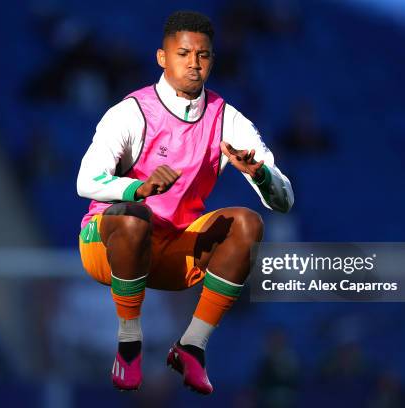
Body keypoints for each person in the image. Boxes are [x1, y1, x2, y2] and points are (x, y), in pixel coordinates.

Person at [77, 10, 293, 394]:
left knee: (248, 223)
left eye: (203, 55)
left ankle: (191, 346)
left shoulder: (227, 119)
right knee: (134, 218)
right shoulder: (131, 113)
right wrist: (136, 189)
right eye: (183, 53)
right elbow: (85, 181)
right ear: (163, 57)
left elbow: (284, 200)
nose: (194, 64)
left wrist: (259, 173)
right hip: (109, 248)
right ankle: (129, 343)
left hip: (174, 253)